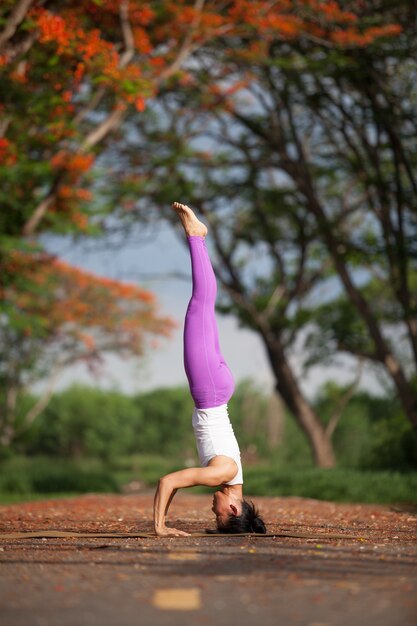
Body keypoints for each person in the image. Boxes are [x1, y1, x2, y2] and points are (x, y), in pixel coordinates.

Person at [153, 202, 267, 537]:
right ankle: (197, 237)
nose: (211, 511)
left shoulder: (229, 475)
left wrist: (163, 521)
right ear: (233, 509)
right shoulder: (222, 474)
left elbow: (174, 485)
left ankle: (197, 238)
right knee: (199, 306)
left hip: (217, 388)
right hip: (209, 390)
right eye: (217, 517)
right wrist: (159, 526)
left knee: (202, 309)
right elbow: (168, 481)